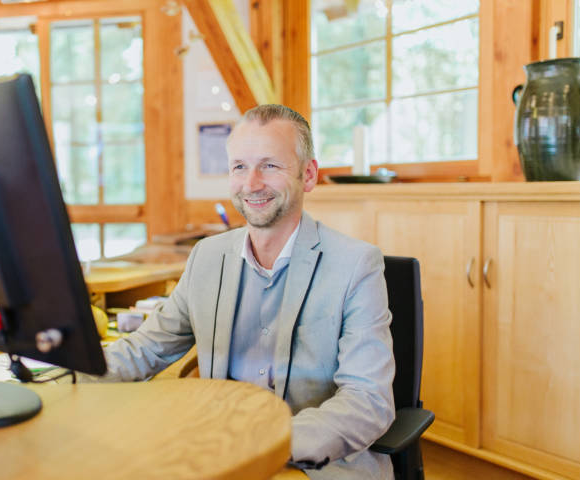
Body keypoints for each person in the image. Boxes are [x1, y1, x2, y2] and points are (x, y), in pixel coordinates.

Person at [98, 105, 396, 479]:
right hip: (220, 455)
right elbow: (146, 347)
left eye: (270, 165)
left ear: (308, 175)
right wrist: (67, 375)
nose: (251, 183)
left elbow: (368, 401)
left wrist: (264, 441)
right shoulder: (206, 257)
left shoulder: (356, 265)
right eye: (239, 166)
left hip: (316, 465)